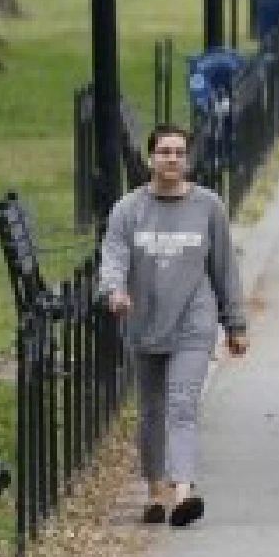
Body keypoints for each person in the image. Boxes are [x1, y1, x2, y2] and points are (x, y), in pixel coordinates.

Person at [98, 124, 250, 528]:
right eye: (164, 151)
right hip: (145, 321)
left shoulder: (208, 207)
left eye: (179, 152)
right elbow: (113, 255)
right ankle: (155, 490)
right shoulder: (129, 209)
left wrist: (235, 323)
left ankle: (183, 490)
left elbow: (224, 269)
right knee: (151, 410)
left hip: (193, 322)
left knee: (182, 405)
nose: (172, 158)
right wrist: (115, 291)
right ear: (150, 159)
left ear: (187, 159)